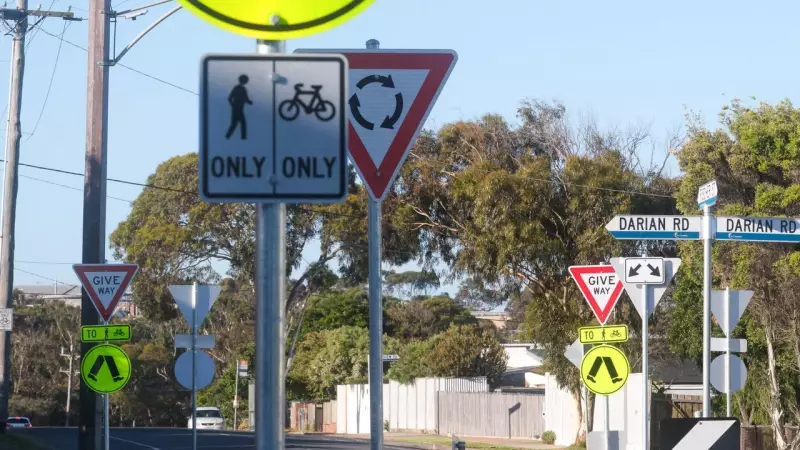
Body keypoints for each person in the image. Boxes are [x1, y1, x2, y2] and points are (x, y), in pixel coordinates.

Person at [226, 74, 253, 140]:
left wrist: (249, 102)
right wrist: (233, 106)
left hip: (238, 109)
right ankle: (242, 138)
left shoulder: (241, 89)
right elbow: (230, 98)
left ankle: (228, 136)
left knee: (235, 124)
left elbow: (245, 99)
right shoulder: (239, 88)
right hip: (237, 110)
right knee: (239, 124)